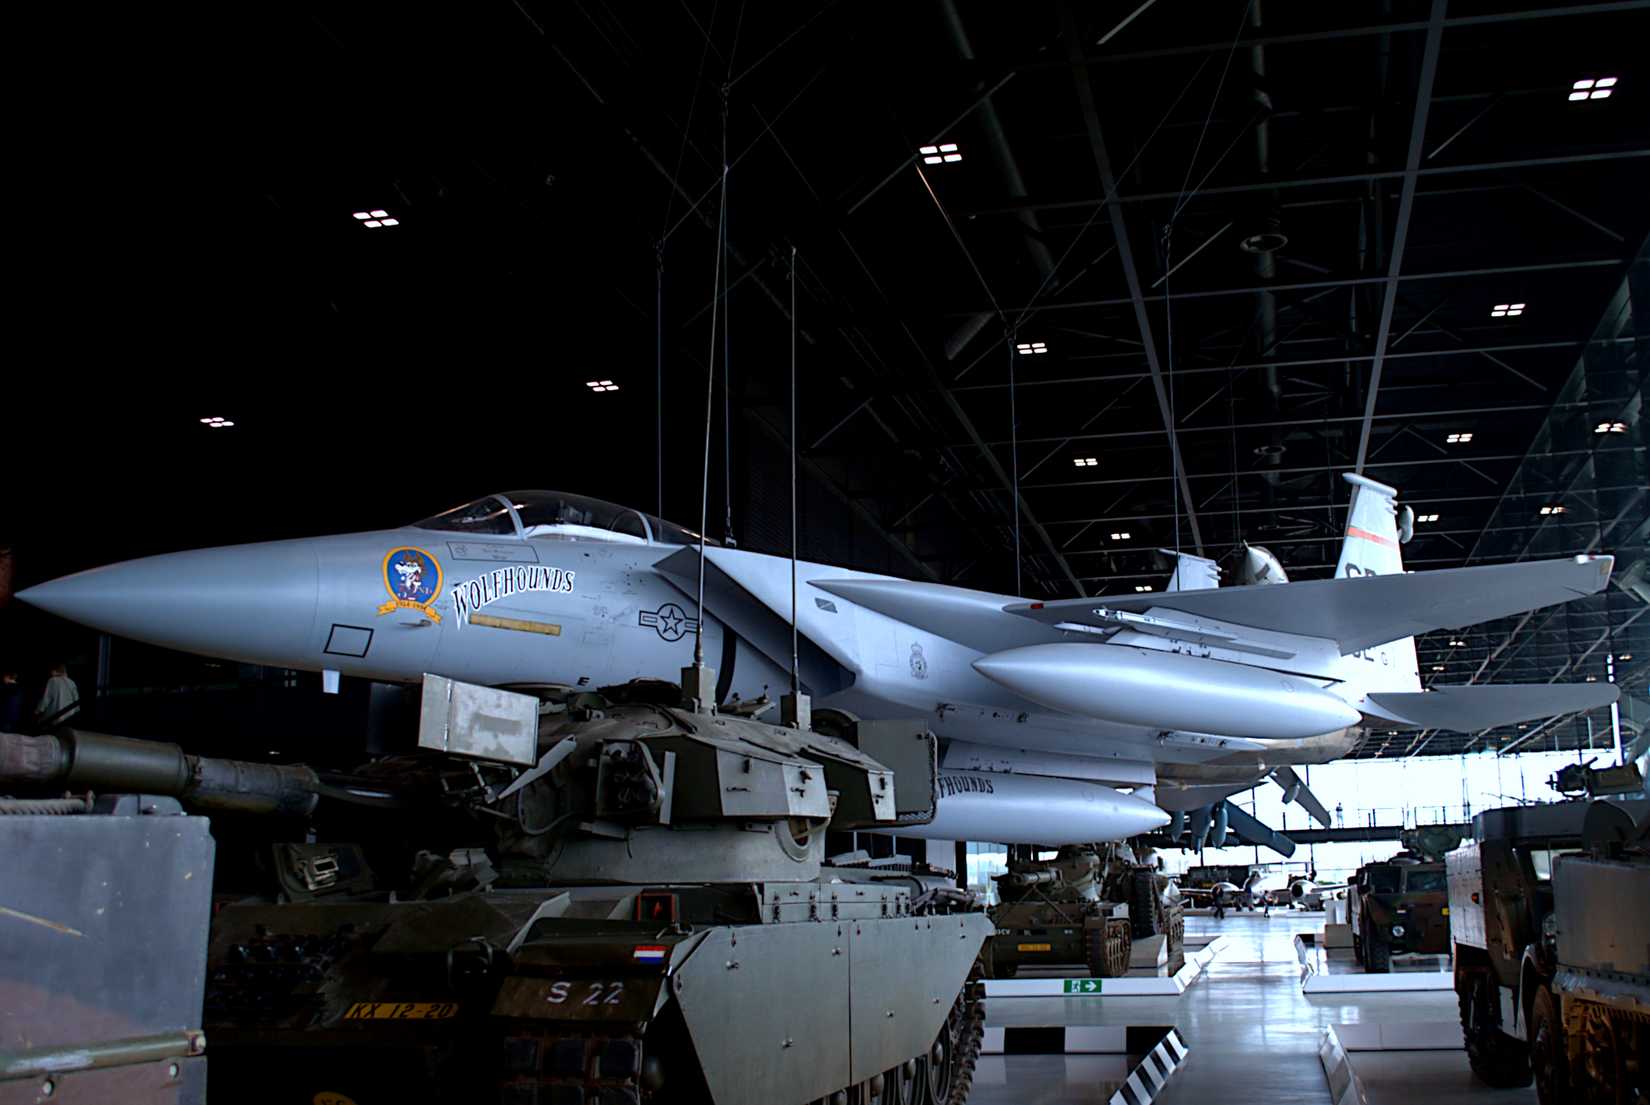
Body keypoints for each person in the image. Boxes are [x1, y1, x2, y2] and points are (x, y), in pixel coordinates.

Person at [34, 661, 80, 727]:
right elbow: (77, 704)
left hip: (54, 719)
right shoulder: (72, 682)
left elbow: (45, 700)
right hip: (68, 719)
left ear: (54, 670)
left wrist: (37, 712)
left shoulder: (53, 681)